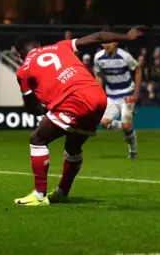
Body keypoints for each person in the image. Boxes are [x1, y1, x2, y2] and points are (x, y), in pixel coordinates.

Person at [13, 26, 145, 206]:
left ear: (21, 55)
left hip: (74, 101)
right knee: (73, 146)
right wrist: (126, 36)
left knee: (37, 139)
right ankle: (62, 192)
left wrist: (44, 108)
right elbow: (98, 36)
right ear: (40, 45)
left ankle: (39, 195)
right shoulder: (61, 46)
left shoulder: (23, 71)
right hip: (99, 97)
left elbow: (32, 107)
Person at [93, 30, 141, 160]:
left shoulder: (124, 56)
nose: (107, 44)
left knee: (126, 125)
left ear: (116, 43)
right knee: (103, 123)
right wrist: (98, 93)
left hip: (127, 94)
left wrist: (136, 93)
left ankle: (133, 150)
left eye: (109, 41)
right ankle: (127, 127)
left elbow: (137, 70)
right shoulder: (98, 58)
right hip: (111, 96)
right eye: (104, 42)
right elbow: (99, 76)